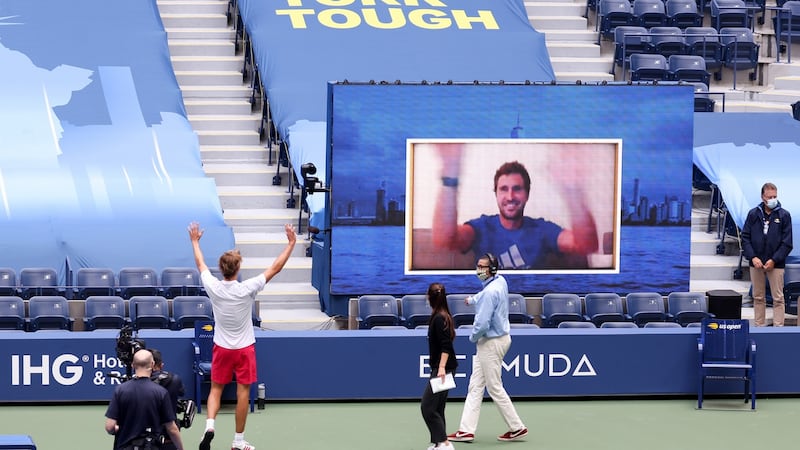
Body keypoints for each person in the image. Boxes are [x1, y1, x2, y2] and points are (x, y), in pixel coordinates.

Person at [188, 222, 297, 450]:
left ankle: (209, 426)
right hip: (244, 349)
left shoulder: (213, 287)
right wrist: (291, 243)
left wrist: (195, 241)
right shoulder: (248, 287)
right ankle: (238, 441)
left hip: (221, 348)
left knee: (215, 389)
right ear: (237, 269)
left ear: (221, 269)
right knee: (243, 393)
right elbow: (275, 268)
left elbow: (200, 263)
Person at [432, 143, 598, 269]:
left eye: (517, 189)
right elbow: (444, 240)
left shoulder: (542, 229)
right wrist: (450, 174)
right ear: (496, 194)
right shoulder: (481, 227)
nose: (510, 197)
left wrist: (573, 190)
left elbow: (586, 245)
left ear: (527, 195)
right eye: (504, 189)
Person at [447, 253, 527, 443]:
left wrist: (472, 337)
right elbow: (486, 295)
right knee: (475, 386)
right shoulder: (500, 281)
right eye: (478, 266)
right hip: (499, 340)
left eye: (482, 267)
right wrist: (473, 300)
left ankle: (517, 427)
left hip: (490, 344)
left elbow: (482, 324)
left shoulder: (490, 293)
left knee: (494, 387)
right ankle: (466, 430)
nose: (479, 270)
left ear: (492, 269)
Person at [105, 349, 185, 450]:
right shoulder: (161, 392)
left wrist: (117, 429)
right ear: (152, 364)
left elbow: (109, 427)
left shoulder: (120, 390)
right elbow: (172, 429)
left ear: (133, 365)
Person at [741, 182, 793, 327]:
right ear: (763, 197)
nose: (772, 199)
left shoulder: (784, 215)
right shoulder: (753, 214)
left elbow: (787, 243)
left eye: (775, 196)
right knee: (758, 297)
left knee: (778, 298)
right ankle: (759, 326)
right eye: (770, 196)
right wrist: (753, 257)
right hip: (756, 263)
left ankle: (778, 328)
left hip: (776, 264)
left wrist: (774, 260)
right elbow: (745, 237)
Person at [421, 282, 458, 450]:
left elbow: (446, 345)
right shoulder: (442, 316)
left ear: (430, 297)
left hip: (443, 369)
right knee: (438, 406)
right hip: (445, 368)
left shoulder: (439, 318)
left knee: (427, 407)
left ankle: (444, 443)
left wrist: (441, 368)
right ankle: (439, 442)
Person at [150, 349, 187, 450]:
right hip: (169, 435)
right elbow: (181, 392)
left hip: (145, 434)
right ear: (161, 365)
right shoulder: (175, 379)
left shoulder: (136, 383)